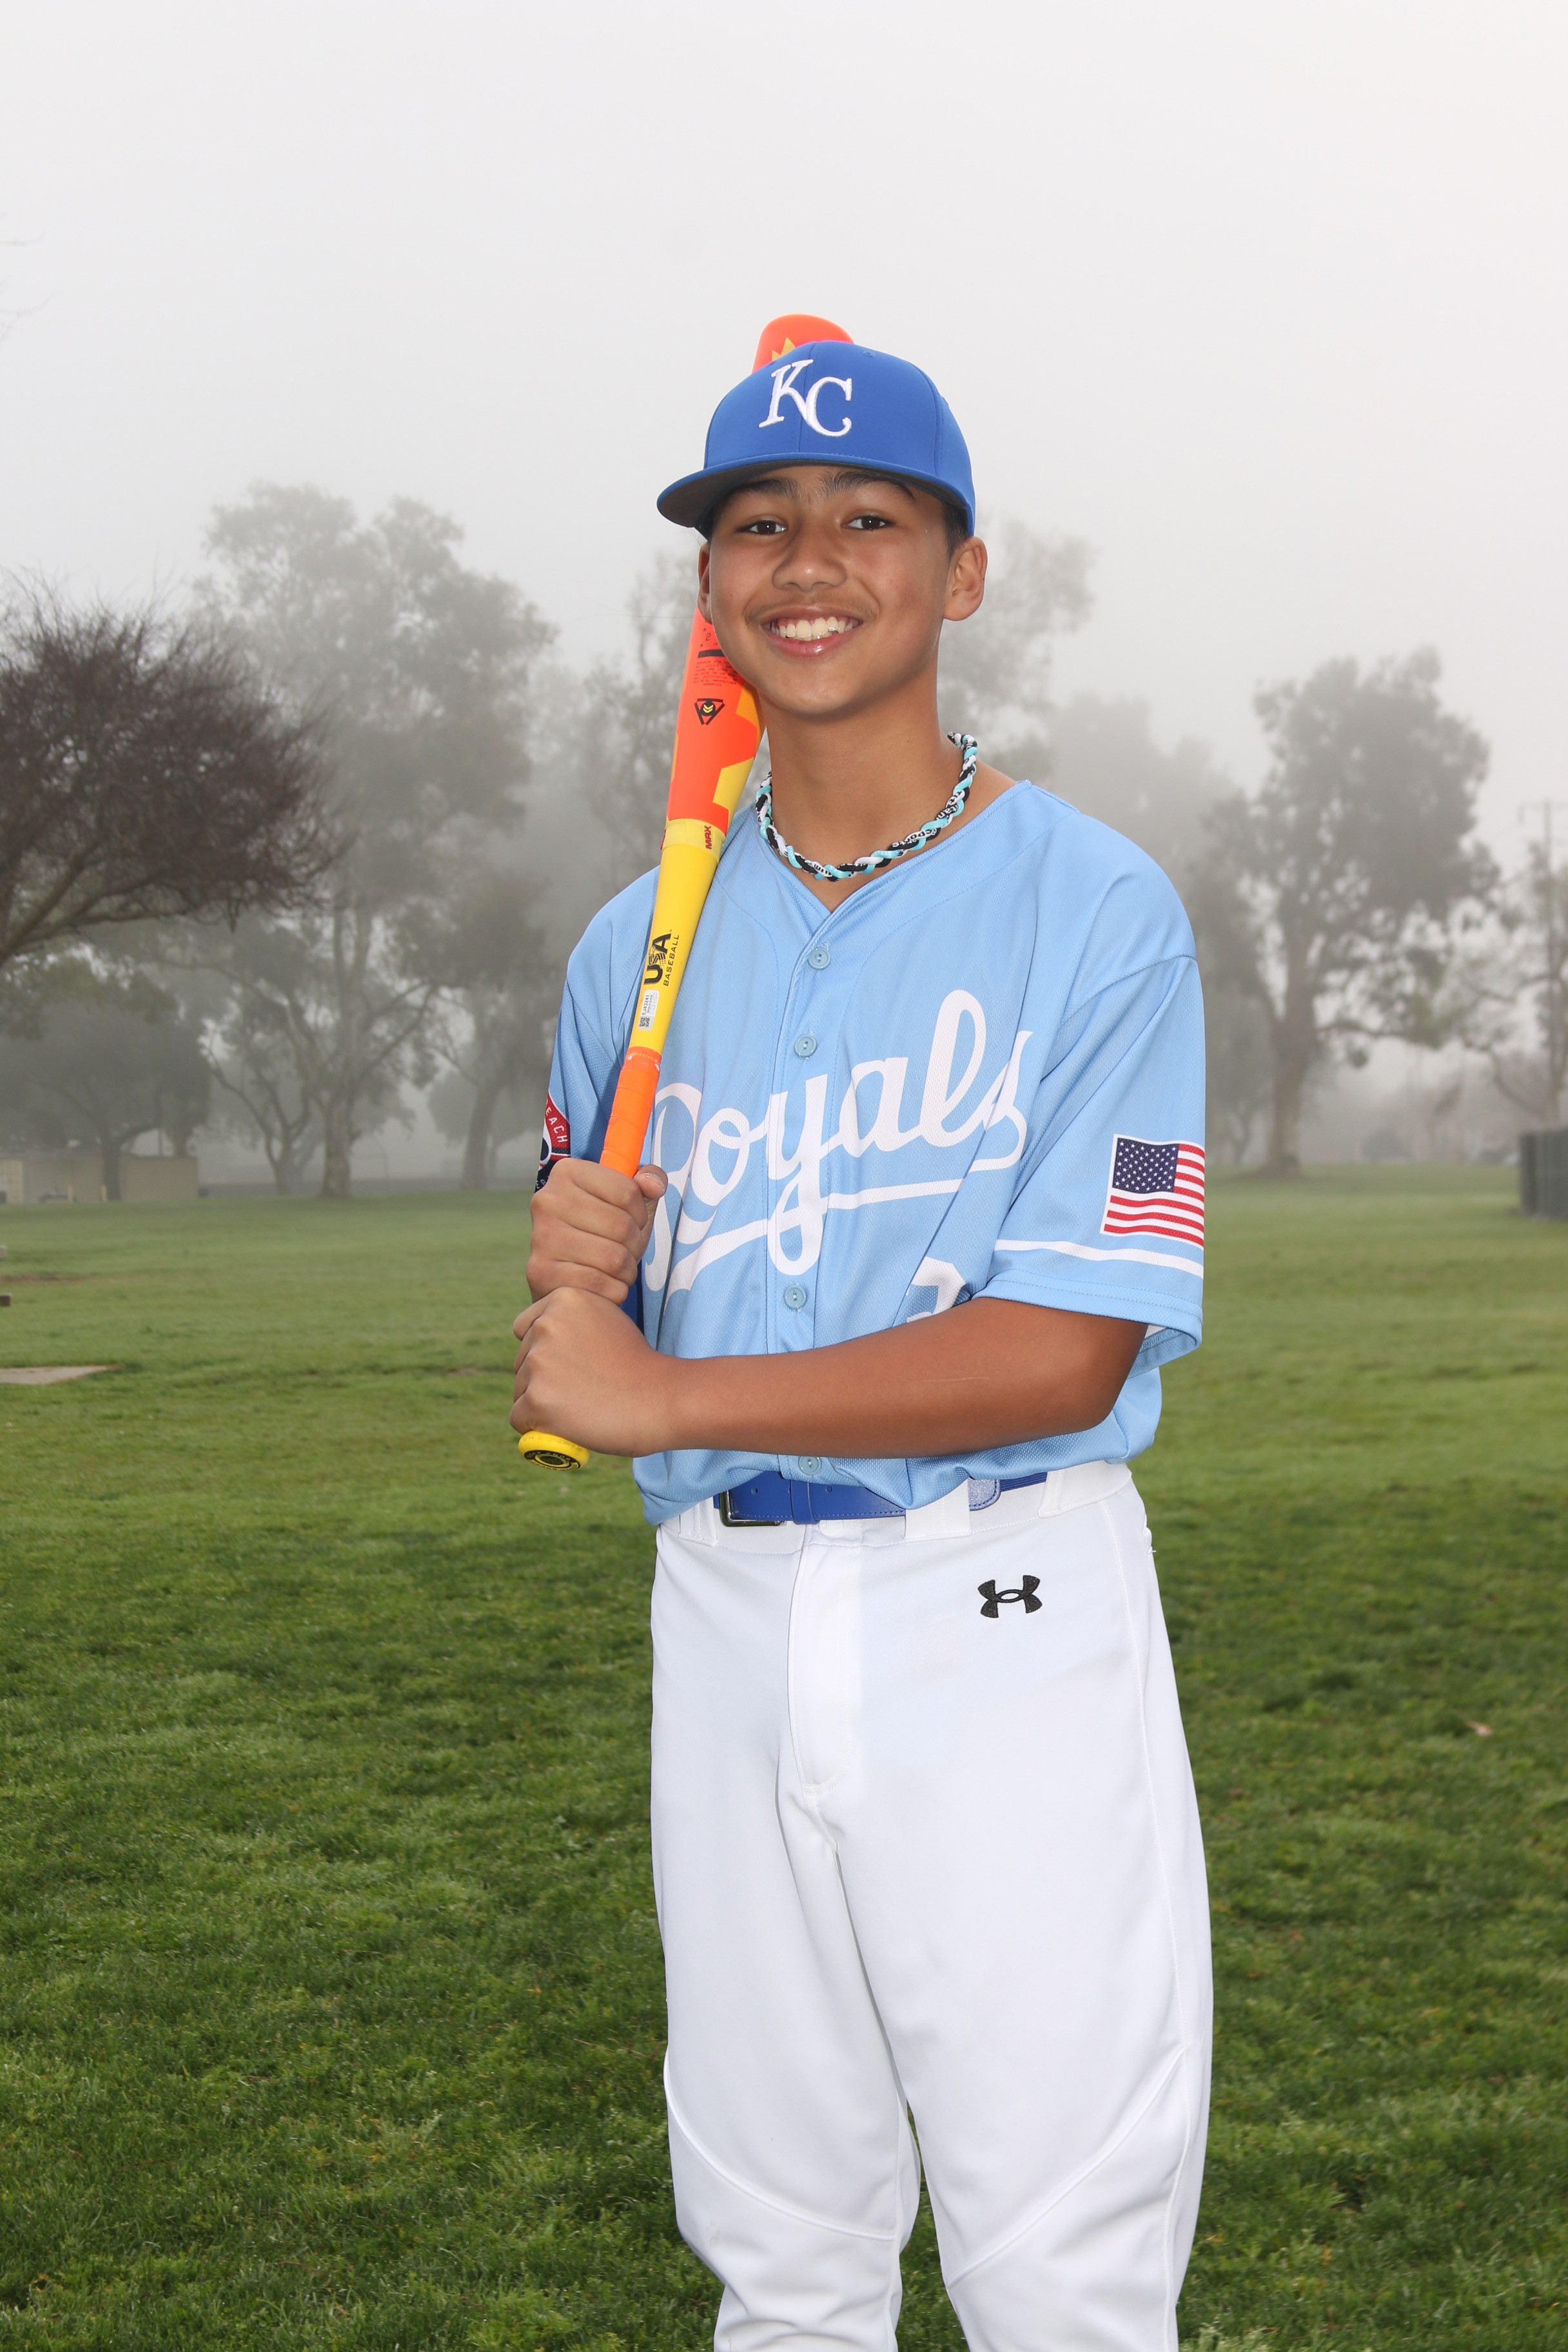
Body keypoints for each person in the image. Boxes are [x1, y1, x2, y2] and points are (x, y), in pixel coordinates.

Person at [512, 337, 1211, 2352]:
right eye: (759, 525)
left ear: (962, 573)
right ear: (710, 586)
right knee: (781, 2257)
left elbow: (1069, 1351)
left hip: (1001, 1601)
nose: (808, 560)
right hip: (723, 1610)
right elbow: (608, 1325)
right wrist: (576, 1271)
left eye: (867, 519)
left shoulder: (1100, 912)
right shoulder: (632, 947)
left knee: (1059, 2271)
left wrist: (658, 1388)